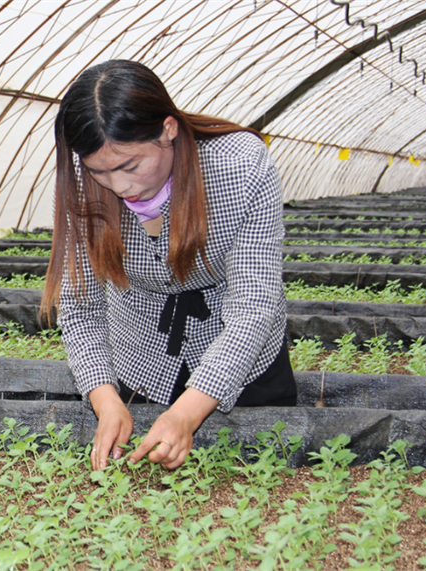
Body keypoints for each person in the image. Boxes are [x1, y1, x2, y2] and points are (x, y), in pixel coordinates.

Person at [40, 60, 297, 471]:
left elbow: (254, 302)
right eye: (100, 171)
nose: (120, 187)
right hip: (141, 355)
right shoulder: (80, 182)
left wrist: (185, 414)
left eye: (130, 165)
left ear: (168, 130)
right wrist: (106, 401)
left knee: (262, 469)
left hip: (242, 357)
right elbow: (81, 306)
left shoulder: (241, 165)